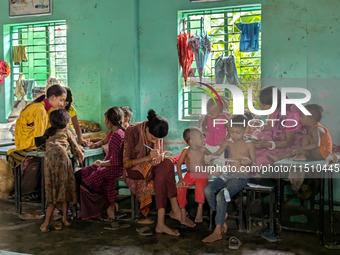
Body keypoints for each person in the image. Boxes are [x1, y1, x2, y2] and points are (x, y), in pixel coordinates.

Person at [123, 109, 195, 236]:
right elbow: (126, 163)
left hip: (151, 167)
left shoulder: (157, 131)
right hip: (134, 169)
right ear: (146, 129)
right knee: (163, 172)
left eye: (158, 140)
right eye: (152, 138)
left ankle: (164, 220)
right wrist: (147, 158)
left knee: (166, 164)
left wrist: (160, 156)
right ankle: (173, 212)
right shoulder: (132, 131)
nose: (155, 141)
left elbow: (157, 158)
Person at [203, 115, 255, 243]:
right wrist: (209, 157)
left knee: (222, 195)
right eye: (231, 132)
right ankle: (221, 214)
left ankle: (218, 230)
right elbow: (217, 153)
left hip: (240, 177)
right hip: (227, 174)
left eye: (238, 132)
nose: (234, 135)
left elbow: (254, 164)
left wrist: (248, 162)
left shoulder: (249, 144)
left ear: (245, 129)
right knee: (208, 190)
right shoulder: (228, 142)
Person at [76, 107, 125, 220]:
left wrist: (101, 163)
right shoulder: (116, 133)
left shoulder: (117, 135)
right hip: (108, 165)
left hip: (112, 168)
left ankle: (98, 209)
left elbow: (115, 162)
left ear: (108, 121)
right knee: (80, 174)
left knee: (85, 186)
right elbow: (104, 144)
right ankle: (87, 208)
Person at [40, 109, 84, 232]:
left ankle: (45, 225)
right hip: (63, 162)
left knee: (52, 192)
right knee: (64, 189)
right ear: (66, 122)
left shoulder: (48, 133)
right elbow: (77, 149)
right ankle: (65, 219)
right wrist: (80, 153)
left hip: (49, 163)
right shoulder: (67, 132)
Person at [7, 84, 66, 169]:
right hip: (26, 144)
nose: (62, 104)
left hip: (30, 142)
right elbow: (39, 139)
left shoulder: (48, 110)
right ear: (53, 97)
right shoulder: (39, 110)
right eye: (61, 100)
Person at [252, 86, 306, 166]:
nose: (260, 107)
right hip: (279, 138)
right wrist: (258, 125)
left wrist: (268, 144)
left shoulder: (291, 113)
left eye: (263, 105)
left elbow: (289, 142)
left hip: (293, 142)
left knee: (260, 156)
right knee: (252, 145)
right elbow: (270, 126)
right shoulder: (277, 106)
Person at [176, 127, 212, 223]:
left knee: (200, 188)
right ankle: (183, 212)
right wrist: (180, 179)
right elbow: (178, 164)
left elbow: (213, 159)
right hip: (189, 174)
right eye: (200, 138)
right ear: (191, 141)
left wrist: (209, 165)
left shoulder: (204, 150)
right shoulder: (186, 151)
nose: (203, 140)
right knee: (180, 188)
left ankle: (199, 211)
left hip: (202, 174)